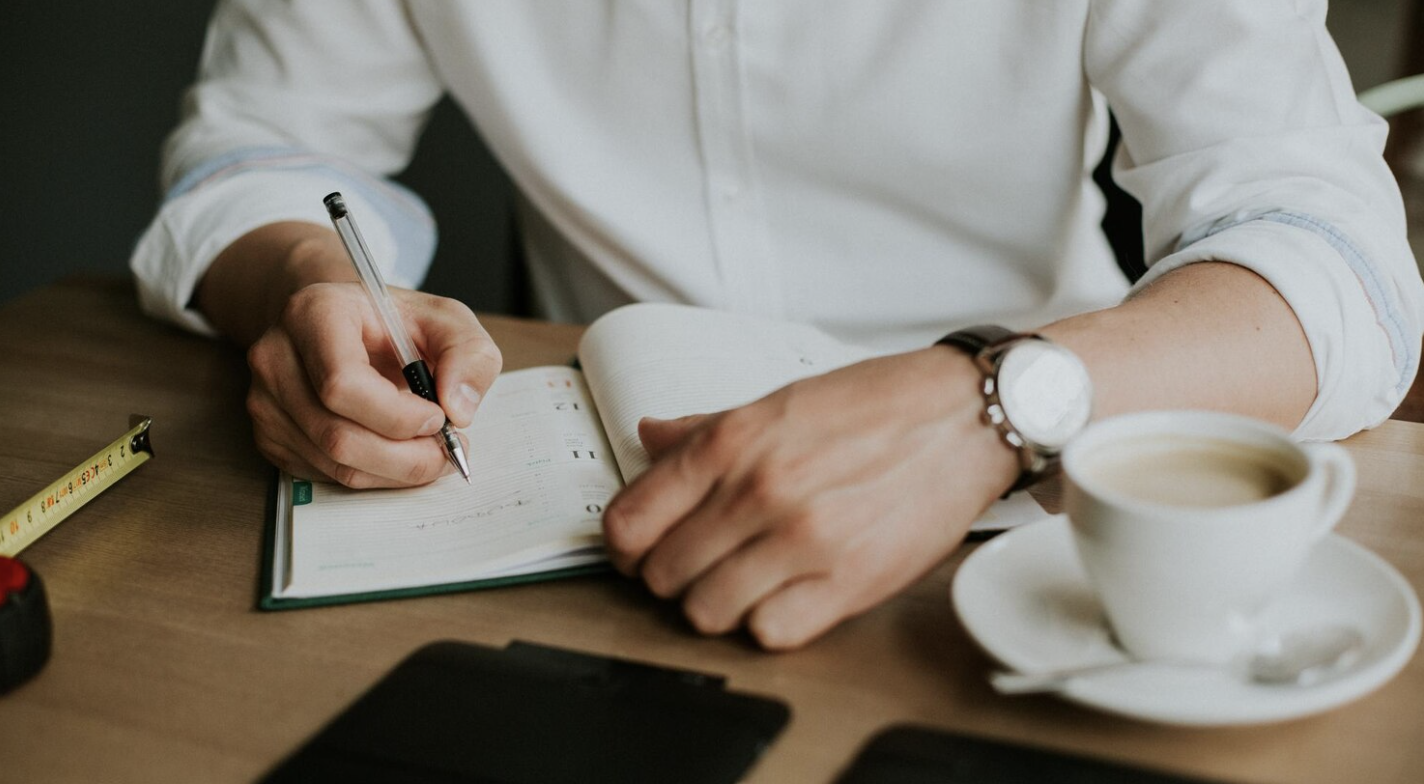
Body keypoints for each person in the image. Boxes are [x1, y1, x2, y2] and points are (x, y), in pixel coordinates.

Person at [133, 1, 1423, 649]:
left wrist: (996, 403)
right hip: (587, 543)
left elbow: (1342, 262)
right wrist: (298, 273)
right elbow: (258, 142)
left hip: (1041, 513)